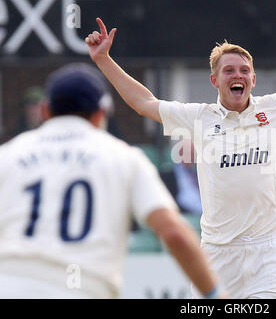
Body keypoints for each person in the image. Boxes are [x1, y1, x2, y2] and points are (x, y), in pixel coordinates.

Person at [85, 5, 276, 298]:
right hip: (217, 253)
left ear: (253, 79)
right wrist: (104, 60)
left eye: (245, 71)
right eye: (229, 71)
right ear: (215, 80)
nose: (238, 75)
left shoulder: (272, 108)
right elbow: (144, 103)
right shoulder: (199, 117)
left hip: (267, 250)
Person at [0, 63, 224, 299]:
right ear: (100, 114)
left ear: (45, 111)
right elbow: (174, 234)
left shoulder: (7, 155)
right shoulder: (124, 158)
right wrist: (216, 295)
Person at [160, 139, 203, 215]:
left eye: (192, 154)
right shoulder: (168, 175)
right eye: (188, 153)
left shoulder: (196, 174)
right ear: (179, 153)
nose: (191, 157)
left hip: (200, 209)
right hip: (182, 210)